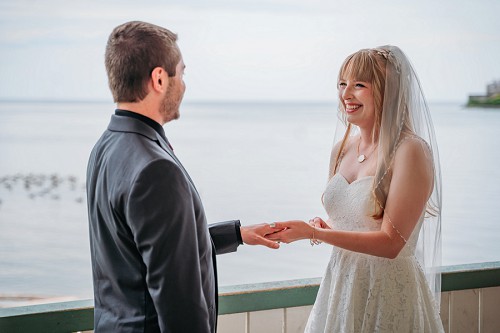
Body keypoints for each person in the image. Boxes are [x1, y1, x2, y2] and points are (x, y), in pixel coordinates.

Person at [86, 21, 280, 333]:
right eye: (182, 72)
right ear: (160, 78)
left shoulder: (106, 146)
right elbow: (179, 305)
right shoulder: (155, 169)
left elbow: (143, 249)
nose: (185, 85)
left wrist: (237, 234)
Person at [267, 46, 444, 332]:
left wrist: (314, 233)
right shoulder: (340, 150)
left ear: (389, 91)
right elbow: (354, 224)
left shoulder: (410, 150)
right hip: (341, 285)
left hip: (387, 290)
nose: (345, 94)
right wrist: (324, 227)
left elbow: (391, 243)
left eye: (359, 85)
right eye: (342, 84)